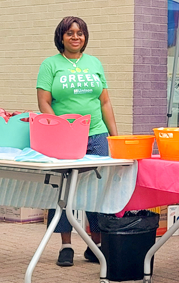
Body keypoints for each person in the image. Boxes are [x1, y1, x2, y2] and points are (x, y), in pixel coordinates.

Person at [36, 16, 118, 267]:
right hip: (65, 137)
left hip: (95, 133)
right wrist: (59, 130)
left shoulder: (94, 63)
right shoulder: (51, 65)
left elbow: (104, 102)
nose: (75, 37)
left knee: (97, 190)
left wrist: (114, 136)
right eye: (70, 33)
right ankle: (66, 245)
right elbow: (44, 102)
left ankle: (96, 245)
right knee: (64, 191)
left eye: (80, 33)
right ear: (61, 36)